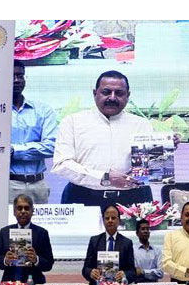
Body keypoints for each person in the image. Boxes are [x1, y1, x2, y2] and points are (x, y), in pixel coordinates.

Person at [52, 70, 179, 211]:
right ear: (95, 93)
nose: (112, 98)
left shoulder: (142, 124)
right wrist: (104, 178)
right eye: (106, 92)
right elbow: (61, 164)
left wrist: (164, 150)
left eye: (119, 93)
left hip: (134, 199)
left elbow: (150, 169)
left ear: (128, 95)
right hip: (83, 198)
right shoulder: (72, 122)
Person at [9, 60, 58, 204]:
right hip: (8, 185)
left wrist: (14, 151)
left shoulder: (43, 110)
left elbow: (51, 147)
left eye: (20, 76)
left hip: (38, 185)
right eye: (12, 76)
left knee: (40, 220)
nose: (17, 80)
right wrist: (35, 148)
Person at [0, 194, 54, 284]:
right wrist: (6, 260)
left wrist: (36, 260)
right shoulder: (5, 232)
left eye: (26, 208)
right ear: (14, 212)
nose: (23, 211)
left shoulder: (41, 233)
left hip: (34, 284)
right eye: (19, 208)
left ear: (32, 211)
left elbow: (49, 264)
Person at [82, 205, 135, 285]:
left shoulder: (127, 243)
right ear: (103, 220)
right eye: (107, 218)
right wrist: (91, 272)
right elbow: (85, 269)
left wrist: (124, 274)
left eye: (113, 218)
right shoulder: (94, 241)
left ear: (119, 221)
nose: (110, 220)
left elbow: (132, 272)